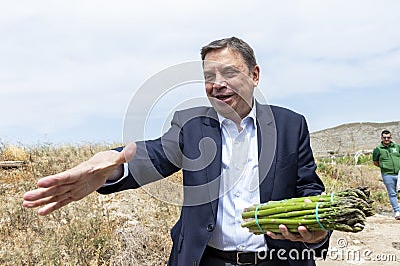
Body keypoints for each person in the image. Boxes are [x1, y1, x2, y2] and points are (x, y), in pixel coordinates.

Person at [23, 37, 330, 265]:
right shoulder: (192, 126)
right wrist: (114, 168)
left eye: (229, 73)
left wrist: (318, 233)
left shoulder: (290, 125)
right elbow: (155, 155)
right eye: (209, 77)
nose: (218, 84)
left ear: (255, 75)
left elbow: (309, 190)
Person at [373, 129, 400, 220]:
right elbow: (375, 162)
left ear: (391, 137)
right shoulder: (378, 149)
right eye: (384, 137)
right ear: (381, 138)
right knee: (392, 193)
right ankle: (397, 211)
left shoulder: (396, 147)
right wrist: (384, 167)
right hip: (387, 175)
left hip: (399, 173)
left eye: (388, 137)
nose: (386, 139)